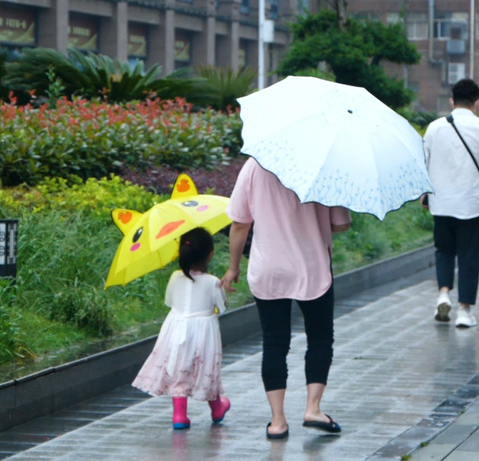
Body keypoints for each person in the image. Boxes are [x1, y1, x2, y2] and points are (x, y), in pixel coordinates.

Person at [220, 157, 351, 439]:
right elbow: (341, 225)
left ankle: (277, 421)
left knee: (275, 341)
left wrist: (233, 268)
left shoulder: (255, 165)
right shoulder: (325, 164)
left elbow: (240, 223)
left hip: (269, 267)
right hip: (312, 266)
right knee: (320, 337)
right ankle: (313, 408)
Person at [420, 78, 479, 328]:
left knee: (444, 250)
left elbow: (424, 161)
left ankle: (443, 293)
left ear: (452, 101)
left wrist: (424, 193)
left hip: (442, 203)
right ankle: (464, 311)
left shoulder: (434, 128)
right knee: (469, 257)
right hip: (471, 204)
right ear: (477, 102)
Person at [131, 227, 231, 430]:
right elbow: (222, 307)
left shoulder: (175, 277)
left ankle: (179, 415)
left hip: (175, 330)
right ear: (209, 255)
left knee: (179, 367)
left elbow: (170, 301)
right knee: (204, 369)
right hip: (203, 334)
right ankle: (217, 407)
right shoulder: (213, 282)